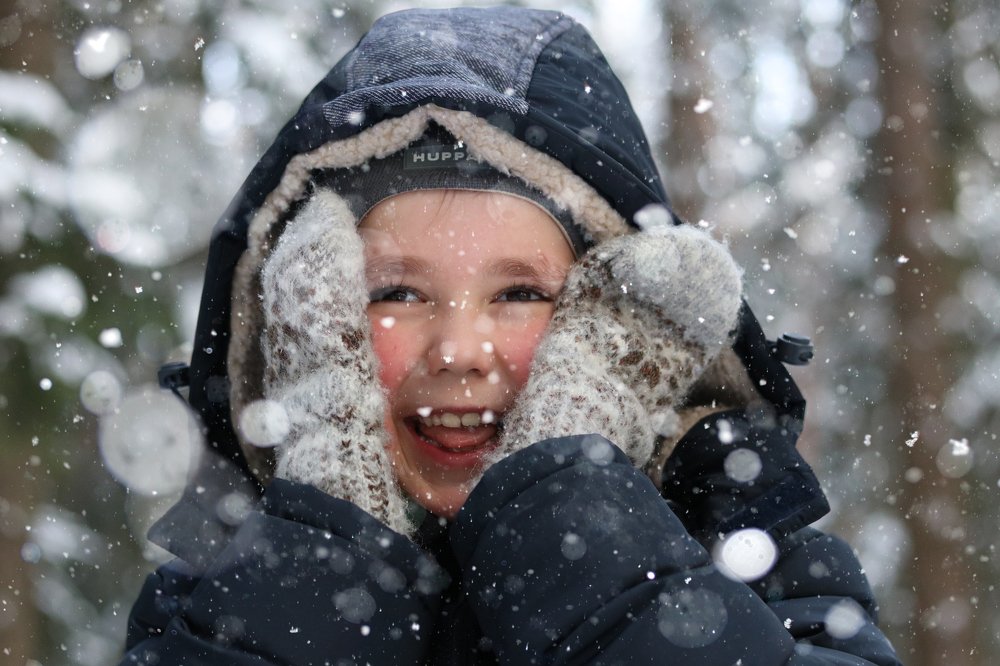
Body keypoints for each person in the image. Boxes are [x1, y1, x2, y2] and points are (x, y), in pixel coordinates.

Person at [121, 7, 902, 665]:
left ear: (614, 313)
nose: (460, 350)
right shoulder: (208, 600)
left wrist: (572, 512)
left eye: (521, 293)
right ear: (309, 318)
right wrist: (327, 535)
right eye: (397, 293)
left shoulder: (748, 554)